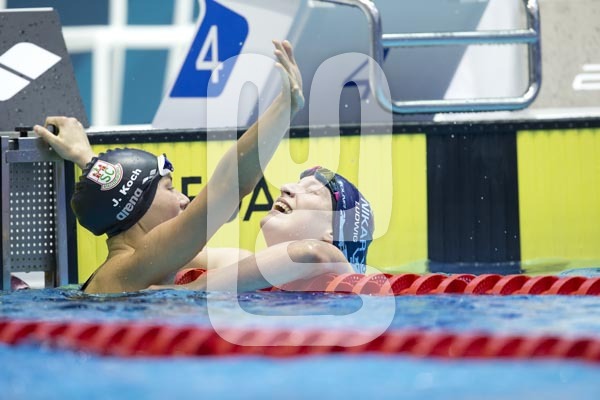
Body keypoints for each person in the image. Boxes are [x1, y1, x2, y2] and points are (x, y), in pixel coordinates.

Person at [153, 165, 375, 292]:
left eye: (312, 191)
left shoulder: (338, 271)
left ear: (332, 235)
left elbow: (311, 253)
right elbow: (167, 257)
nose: (285, 187)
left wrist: (189, 290)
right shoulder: (241, 262)